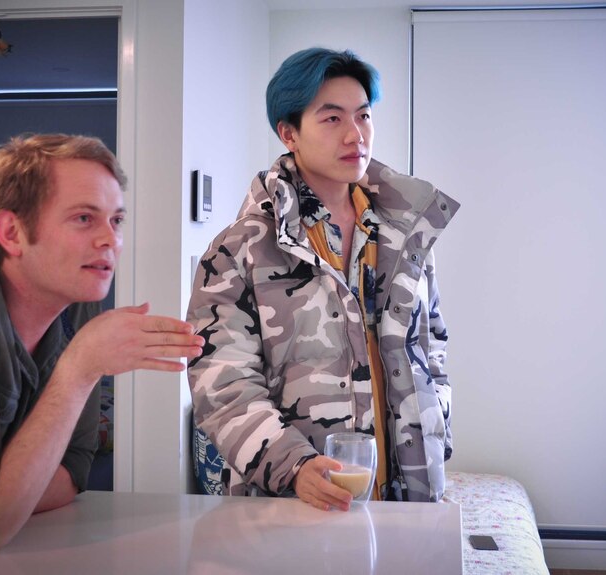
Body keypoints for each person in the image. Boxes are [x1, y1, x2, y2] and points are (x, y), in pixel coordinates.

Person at [0, 134, 204, 552]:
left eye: (116, 220)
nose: (110, 240)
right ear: (11, 232)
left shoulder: (73, 302)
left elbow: (74, 469)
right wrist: (80, 367)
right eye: (83, 218)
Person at [187, 48, 459, 512]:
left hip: (405, 493)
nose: (356, 135)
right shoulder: (242, 248)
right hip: (292, 501)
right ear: (289, 133)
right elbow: (222, 382)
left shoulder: (405, 236)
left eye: (364, 115)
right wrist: (292, 466)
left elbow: (432, 348)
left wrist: (437, 433)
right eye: (332, 119)